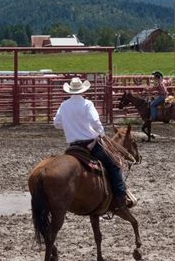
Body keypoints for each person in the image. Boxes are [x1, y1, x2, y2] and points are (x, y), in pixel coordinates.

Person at [53, 76, 128, 210]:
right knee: (114, 164)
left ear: (70, 91)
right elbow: (95, 121)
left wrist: (70, 125)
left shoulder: (64, 105)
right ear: (82, 90)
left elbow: (57, 124)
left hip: (73, 146)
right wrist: (101, 133)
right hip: (91, 144)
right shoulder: (87, 104)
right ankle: (121, 198)